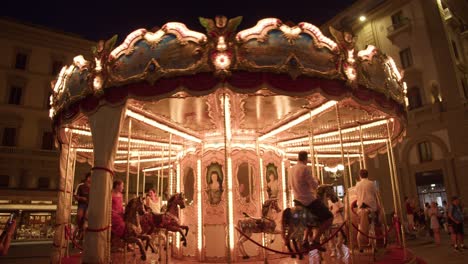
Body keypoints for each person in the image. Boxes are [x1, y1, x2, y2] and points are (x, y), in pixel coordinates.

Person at [290, 151, 333, 251]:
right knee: (329, 217)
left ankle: (305, 240)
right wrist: (315, 180)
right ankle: (316, 240)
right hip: (307, 200)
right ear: (306, 158)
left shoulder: (291, 169)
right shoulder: (305, 168)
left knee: (310, 220)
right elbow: (314, 186)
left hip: (297, 201)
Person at [354, 169, 379, 249]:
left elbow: (356, 195)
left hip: (361, 208)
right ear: (367, 175)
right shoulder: (371, 183)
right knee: (371, 227)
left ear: (360, 175)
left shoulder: (357, 185)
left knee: (360, 228)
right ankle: (373, 246)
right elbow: (375, 194)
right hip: (371, 208)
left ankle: (360, 246)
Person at [111, 180, 126, 249]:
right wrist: (115, 211)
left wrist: (123, 211)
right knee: (122, 224)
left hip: (120, 213)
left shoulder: (121, 194)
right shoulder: (110, 194)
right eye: (122, 185)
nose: (123, 187)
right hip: (113, 213)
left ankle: (125, 241)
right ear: (117, 186)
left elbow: (121, 205)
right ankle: (117, 241)